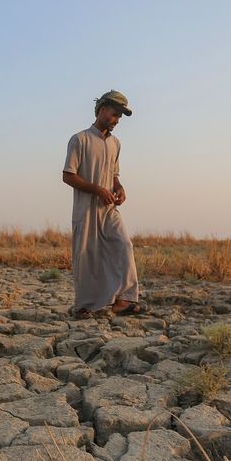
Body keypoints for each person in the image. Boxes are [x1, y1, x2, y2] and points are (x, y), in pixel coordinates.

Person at [62, 90, 148, 319]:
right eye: (114, 114)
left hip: (109, 208)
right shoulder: (79, 139)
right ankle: (84, 306)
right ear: (101, 110)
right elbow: (68, 176)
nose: (117, 120)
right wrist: (97, 189)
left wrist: (118, 187)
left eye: (120, 117)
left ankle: (125, 300)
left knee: (123, 245)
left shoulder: (115, 143)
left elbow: (113, 174)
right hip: (86, 208)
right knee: (87, 255)